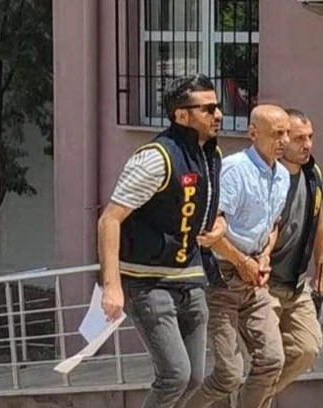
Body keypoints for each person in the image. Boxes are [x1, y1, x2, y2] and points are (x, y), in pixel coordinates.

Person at [97, 74, 226, 408]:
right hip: (147, 280)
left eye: (218, 106)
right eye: (208, 108)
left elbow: (210, 207)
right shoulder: (156, 157)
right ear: (181, 115)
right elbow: (109, 219)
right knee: (175, 375)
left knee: (194, 377)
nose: (218, 115)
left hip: (190, 277)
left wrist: (219, 226)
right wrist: (112, 286)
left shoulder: (210, 155)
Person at [186, 104, 291, 408]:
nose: (284, 141)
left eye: (286, 133)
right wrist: (242, 261)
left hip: (254, 279)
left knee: (272, 359)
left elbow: (273, 224)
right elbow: (210, 231)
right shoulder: (235, 170)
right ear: (253, 133)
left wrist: (265, 256)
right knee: (229, 374)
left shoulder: (283, 176)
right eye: (277, 134)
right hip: (222, 278)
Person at [268, 108, 323, 394]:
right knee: (267, 359)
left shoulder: (313, 174)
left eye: (310, 137)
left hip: (297, 283)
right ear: (282, 140)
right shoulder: (267, 176)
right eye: (299, 139)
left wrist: (322, 269)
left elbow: (319, 222)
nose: (307, 145)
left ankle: (249, 399)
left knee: (308, 348)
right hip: (263, 285)